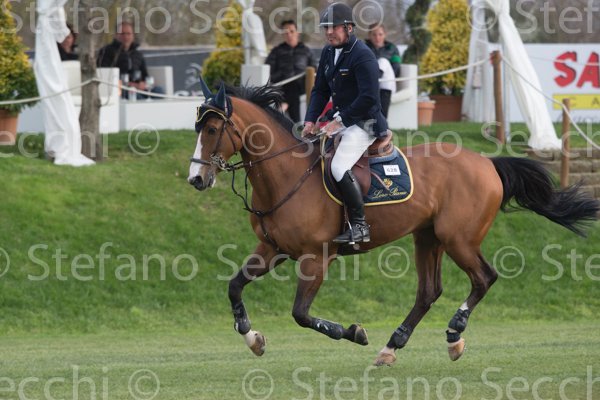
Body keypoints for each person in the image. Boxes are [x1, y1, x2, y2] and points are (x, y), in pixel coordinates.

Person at [302, 3, 388, 245]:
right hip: (342, 119)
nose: (329, 32)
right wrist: (310, 119)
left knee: (338, 167)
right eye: (326, 28)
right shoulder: (328, 52)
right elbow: (320, 90)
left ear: (349, 28)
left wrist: (338, 122)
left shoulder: (363, 55)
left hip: (365, 122)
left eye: (334, 27)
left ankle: (360, 225)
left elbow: (369, 98)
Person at [265, 20, 315, 123]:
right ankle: (296, 122)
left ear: (297, 32)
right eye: (286, 32)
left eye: (292, 31)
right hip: (282, 85)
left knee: (293, 87)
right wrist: (283, 74)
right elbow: (269, 72)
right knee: (291, 87)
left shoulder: (306, 51)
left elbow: (314, 69)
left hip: (302, 86)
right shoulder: (276, 51)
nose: (289, 35)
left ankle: (284, 105)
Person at [97, 22, 163, 100]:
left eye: (128, 34)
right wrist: (132, 85)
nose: (126, 37)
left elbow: (145, 76)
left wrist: (144, 84)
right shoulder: (106, 52)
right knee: (136, 96)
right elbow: (105, 75)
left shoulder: (138, 54)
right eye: (122, 34)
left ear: (133, 35)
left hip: (139, 88)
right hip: (119, 89)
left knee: (159, 91)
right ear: (116, 35)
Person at [365, 23, 402, 118]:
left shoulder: (392, 48)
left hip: (386, 82)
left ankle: (383, 119)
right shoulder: (363, 48)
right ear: (369, 35)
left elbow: (396, 69)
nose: (377, 38)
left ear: (385, 34)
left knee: (383, 62)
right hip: (367, 81)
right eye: (374, 35)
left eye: (380, 34)